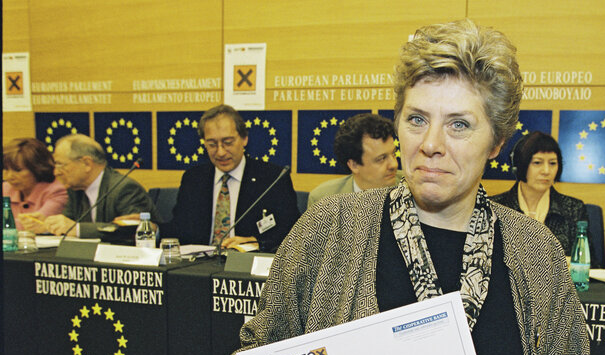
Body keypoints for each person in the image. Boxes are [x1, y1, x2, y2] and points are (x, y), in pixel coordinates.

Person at [221, 19, 589, 355]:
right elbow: (259, 350)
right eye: (416, 120)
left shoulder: (535, 252)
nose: (430, 143)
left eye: (459, 124)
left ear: (497, 142)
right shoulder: (327, 229)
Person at [150, 104, 300, 252]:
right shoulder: (194, 178)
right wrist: (154, 229)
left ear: (244, 139)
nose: (220, 152)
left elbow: (293, 232)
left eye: (228, 143)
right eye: (212, 144)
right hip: (199, 267)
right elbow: (180, 229)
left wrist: (257, 242)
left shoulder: (272, 178)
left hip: (243, 267)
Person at [491, 131, 598, 266]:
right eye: (537, 163)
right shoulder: (495, 206)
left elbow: (591, 263)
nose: (546, 171)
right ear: (520, 166)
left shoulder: (573, 208)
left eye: (552, 163)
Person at [25, 134, 159, 238]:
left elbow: (131, 231)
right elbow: (68, 225)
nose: (56, 172)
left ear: (87, 163)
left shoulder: (124, 188)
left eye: (61, 165)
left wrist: (77, 229)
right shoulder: (75, 189)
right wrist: (48, 225)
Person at [307, 113, 401, 208]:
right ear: (354, 165)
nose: (394, 164)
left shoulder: (411, 188)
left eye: (393, 154)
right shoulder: (323, 200)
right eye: (381, 159)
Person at [2, 138, 68, 233]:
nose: (9, 176)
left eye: (18, 170)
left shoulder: (57, 191)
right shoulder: (5, 188)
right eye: (6, 169)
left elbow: (34, 225)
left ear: (37, 169)